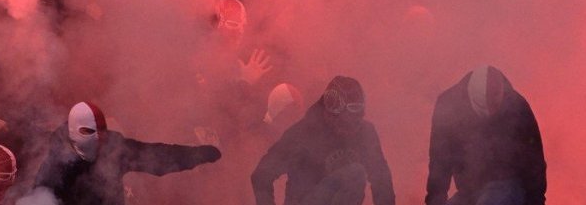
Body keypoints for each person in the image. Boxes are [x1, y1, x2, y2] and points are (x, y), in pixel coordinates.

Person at [33, 101, 222, 205]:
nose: (99, 139)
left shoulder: (114, 149)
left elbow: (156, 157)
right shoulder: (56, 164)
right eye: (89, 132)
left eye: (102, 132)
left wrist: (197, 155)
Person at [251, 76, 395, 205]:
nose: (352, 129)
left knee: (354, 174)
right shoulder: (302, 134)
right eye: (346, 123)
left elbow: (382, 182)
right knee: (354, 174)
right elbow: (261, 175)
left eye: (356, 122)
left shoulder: (365, 133)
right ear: (331, 111)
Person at [424, 65, 546, 205]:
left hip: (509, 186)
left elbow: (534, 160)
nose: (490, 113)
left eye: (495, 106)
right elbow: (440, 160)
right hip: (468, 191)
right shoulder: (448, 105)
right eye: (483, 108)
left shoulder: (518, 107)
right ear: (471, 97)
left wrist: (536, 201)